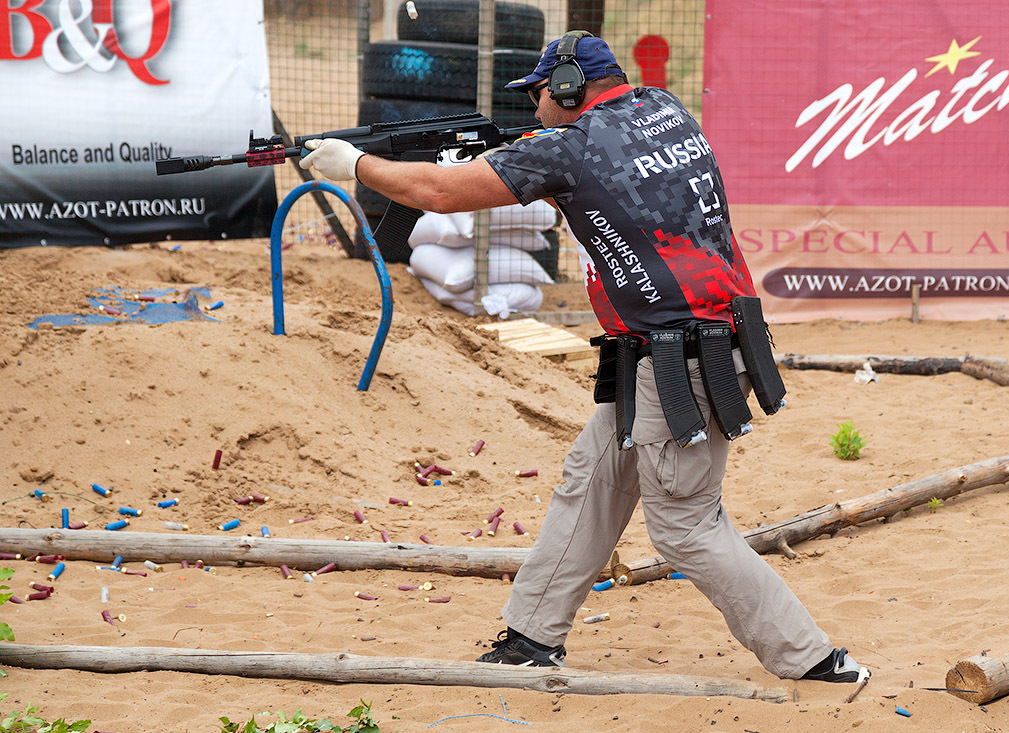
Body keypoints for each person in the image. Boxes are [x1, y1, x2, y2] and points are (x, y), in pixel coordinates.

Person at [300, 31, 869, 685]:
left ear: (569, 87)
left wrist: (356, 165)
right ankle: (532, 634)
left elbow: (441, 193)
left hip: (680, 359)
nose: (536, 109)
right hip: (675, 341)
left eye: (541, 94)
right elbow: (603, 178)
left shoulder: (567, 147)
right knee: (593, 472)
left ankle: (817, 659)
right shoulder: (665, 108)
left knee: (686, 525)